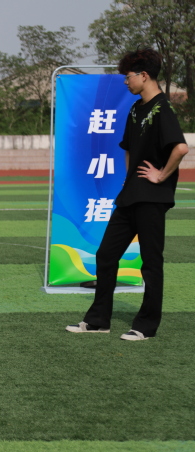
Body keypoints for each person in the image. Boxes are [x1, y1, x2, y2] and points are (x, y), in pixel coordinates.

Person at [66, 48, 189, 341]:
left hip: (153, 198)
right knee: (106, 255)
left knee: (151, 263)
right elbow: (128, 148)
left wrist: (161, 175)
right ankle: (98, 321)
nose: (125, 81)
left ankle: (146, 326)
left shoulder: (162, 108)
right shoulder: (136, 109)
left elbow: (181, 147)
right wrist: (129, 176)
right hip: (130, 195)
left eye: (128, 76)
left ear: (143, 75)